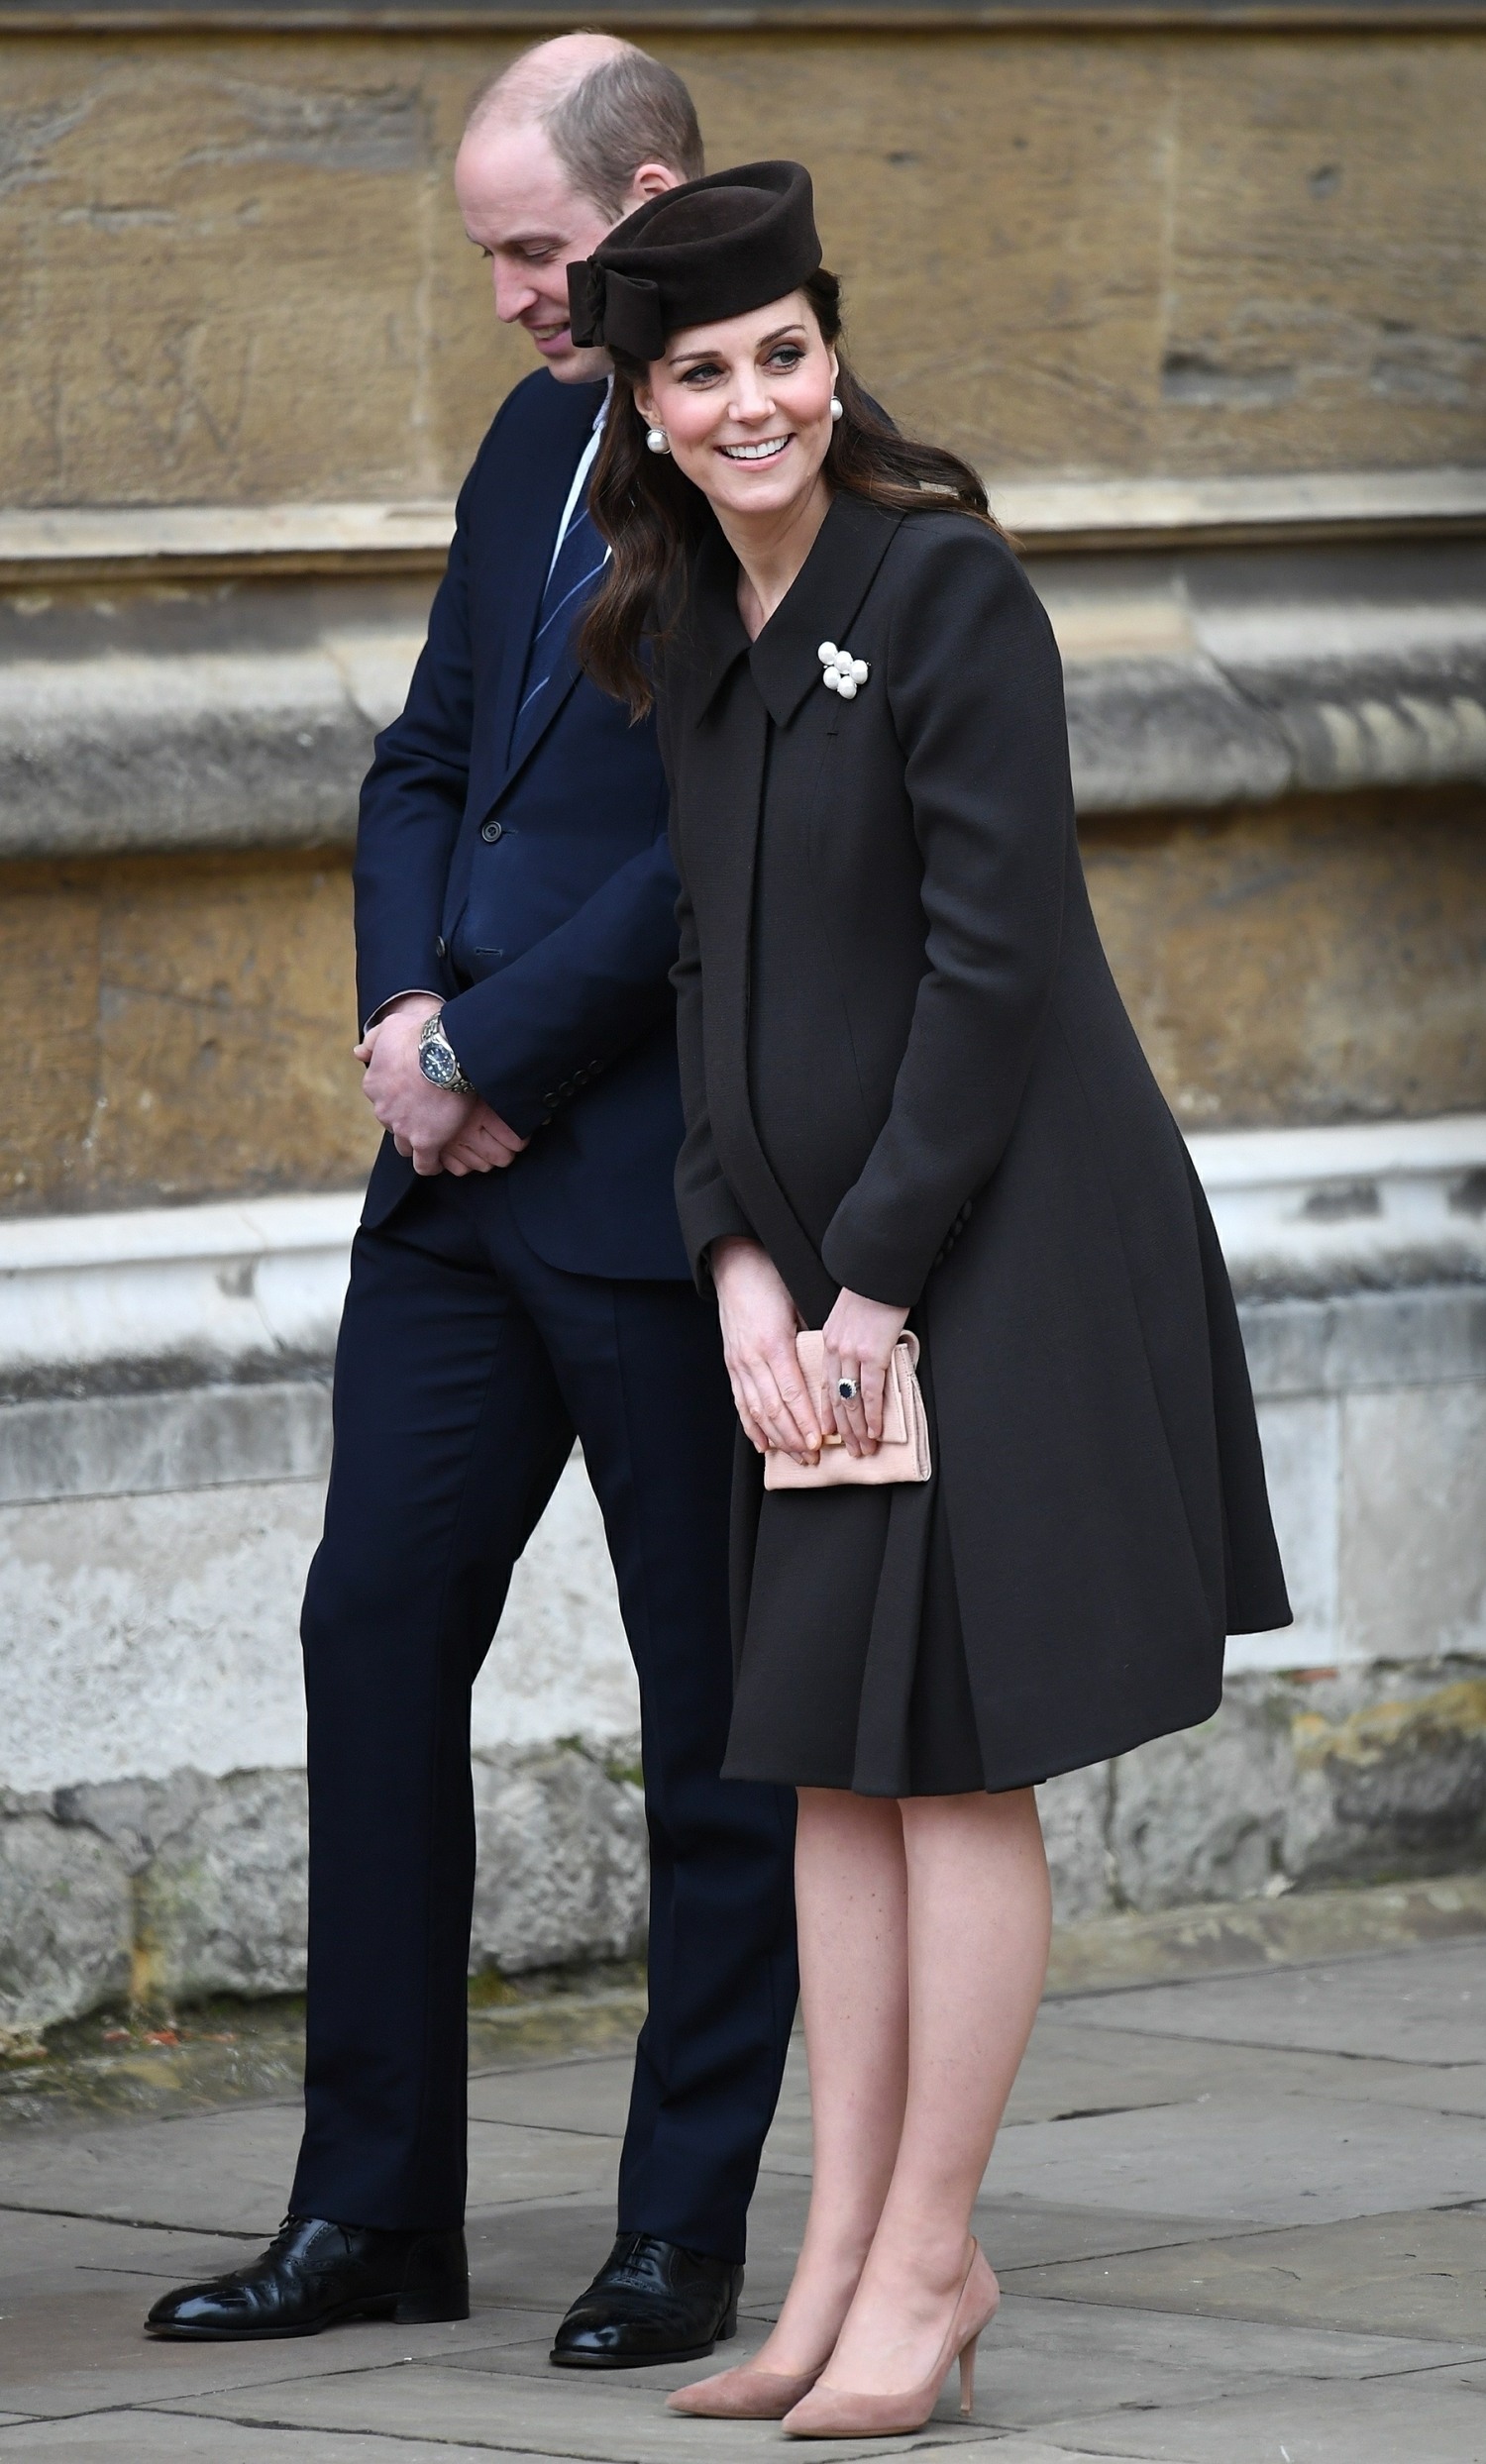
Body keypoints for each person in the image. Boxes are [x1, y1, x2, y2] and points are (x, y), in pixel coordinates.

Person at [569, 162, 1293, 2436]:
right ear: (648, 408)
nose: (760, 396)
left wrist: (864, 1284)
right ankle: (839, 2253)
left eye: (786, 348)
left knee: (956, 1763)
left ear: (827, 348)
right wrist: (740, 1257)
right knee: (827, 1768)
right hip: (828, 1289)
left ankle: (935, 2249)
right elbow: (704, 977)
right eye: (706, 369)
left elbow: (992, 981)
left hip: (1002, 1261)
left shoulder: (947, 590)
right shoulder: (682, 621)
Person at [144, 44, 798, 2369]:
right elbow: (428, 754)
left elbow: (719, 847)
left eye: (538, 253)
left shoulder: (770, 452)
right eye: (495, 259)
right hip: (448, 1194)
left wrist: (498, 1057)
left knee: (715, 1721)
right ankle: (373, 2212)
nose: (514, 298)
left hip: (646, 1192)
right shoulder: (534, 435)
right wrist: (410, 1019)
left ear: (654, 200)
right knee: (368, 1639)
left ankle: (677, 2234)